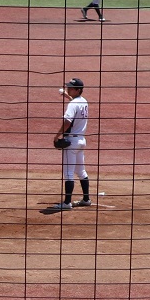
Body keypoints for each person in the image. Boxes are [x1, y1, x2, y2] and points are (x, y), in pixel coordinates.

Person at [52, 77, 92, 208]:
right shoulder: (84, 102)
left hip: (71, 142)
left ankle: (67, 202)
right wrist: (68, 96)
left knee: (68, 173)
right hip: (81, 141)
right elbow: (76, 106)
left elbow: (67, 122)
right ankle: (86, 199)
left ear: (78, 90)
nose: (68, 88)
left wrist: (57, 136)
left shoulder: (73, 104)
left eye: (71, 88)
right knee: (81, 171)